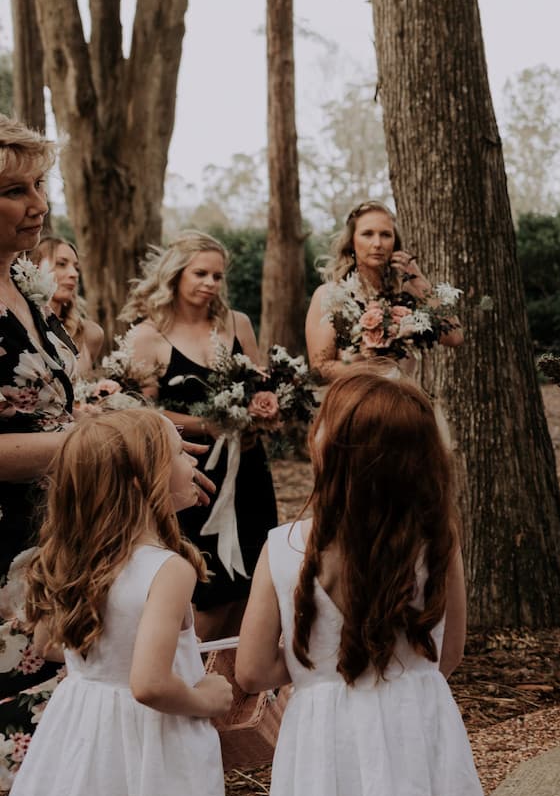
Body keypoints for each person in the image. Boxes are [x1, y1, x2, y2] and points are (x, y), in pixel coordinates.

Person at [236, 370, 510, 796]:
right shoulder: (437, 541)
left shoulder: (283, 547)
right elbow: (448, 656)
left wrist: (311, 666)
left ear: (335, 450)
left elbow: (251, 671)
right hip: (418, 736)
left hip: (323, 747)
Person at [0, 410, 229, 796]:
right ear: (142, 482)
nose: (191, 462)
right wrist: (205, 696)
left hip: (77, 735)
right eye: (178, 454)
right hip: (151, 741)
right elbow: (150, 683)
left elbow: (52, 646)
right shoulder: (167, 569)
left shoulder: (73, 555)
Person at [121, 232, 280, 642]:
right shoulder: (147, 336)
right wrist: (204, 425)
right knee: (208, 588)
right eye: (201, 273)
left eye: (218, 276)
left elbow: (260, 385)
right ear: (175, 274)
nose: (210, 283)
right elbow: (141, 412)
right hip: (189, 473)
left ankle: (240, 687)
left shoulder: (236, 323)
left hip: (247, 466)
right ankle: (193, 674)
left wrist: (264, 411)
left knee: (253, 577)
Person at [0, 120, 80, 751]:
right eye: (14, 191)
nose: (39, 206)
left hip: (52, 534)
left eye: (40, 184)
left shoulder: (26, 280)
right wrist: (101, 446)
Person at [304, 201, 464, 384]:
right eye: (367, 234)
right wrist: (374, 366)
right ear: (352, 243)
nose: (378, 243)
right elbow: (319, 370)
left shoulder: (409, 295)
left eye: (386, 235)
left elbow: (455, 337)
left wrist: (419, 281)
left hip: (403, 405)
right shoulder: (330, 295)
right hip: (353, 405)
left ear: (395, 244)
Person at [31, 236, 105, 369]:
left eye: (76, 267)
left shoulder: (90, 334)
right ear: (34, 267)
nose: (74, 274)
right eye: (61, 264)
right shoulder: (16, 327)